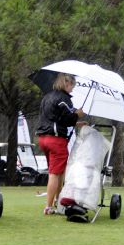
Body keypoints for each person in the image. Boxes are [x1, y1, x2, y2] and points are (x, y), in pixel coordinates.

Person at [36, 73, 86, 215]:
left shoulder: (47, 97)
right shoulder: (64, 99)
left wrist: (76, 122)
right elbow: (68, 117)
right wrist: (78, 115)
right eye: (72, 86)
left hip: (43, 138)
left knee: (59, 171)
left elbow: (56, 118)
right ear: (66, 83)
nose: (72, 89)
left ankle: (58, 201)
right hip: (56, 140)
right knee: (55, 174)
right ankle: (49, 206)